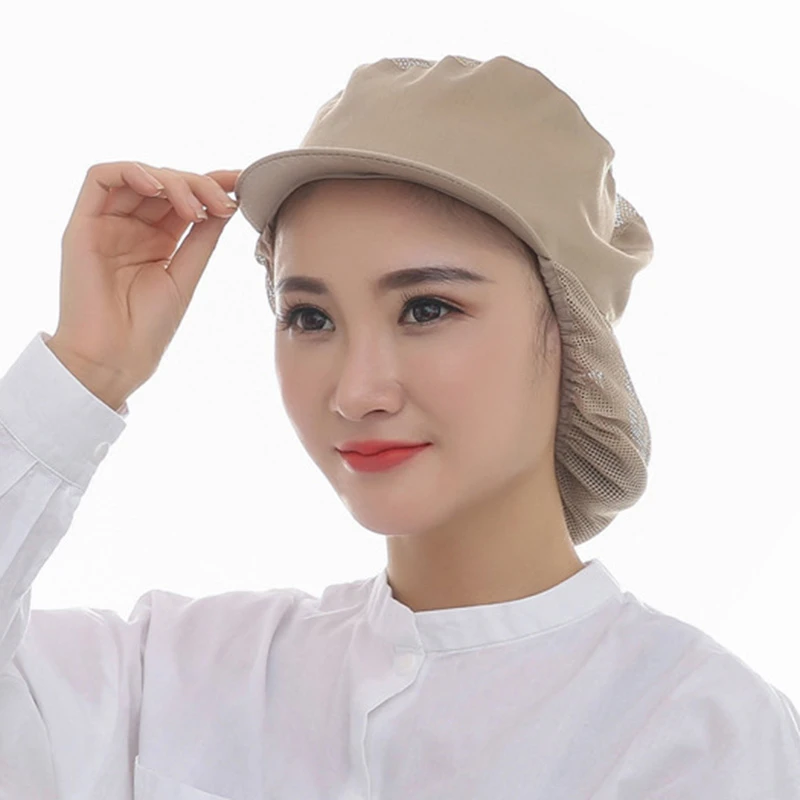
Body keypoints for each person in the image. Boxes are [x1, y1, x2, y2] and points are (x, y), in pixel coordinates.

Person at [1, 54, 798, 799]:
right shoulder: (171, 676)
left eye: (426, 309)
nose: (357, 392)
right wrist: (86, 370)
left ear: (571, 331)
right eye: (310, 318)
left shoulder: (699, 730)